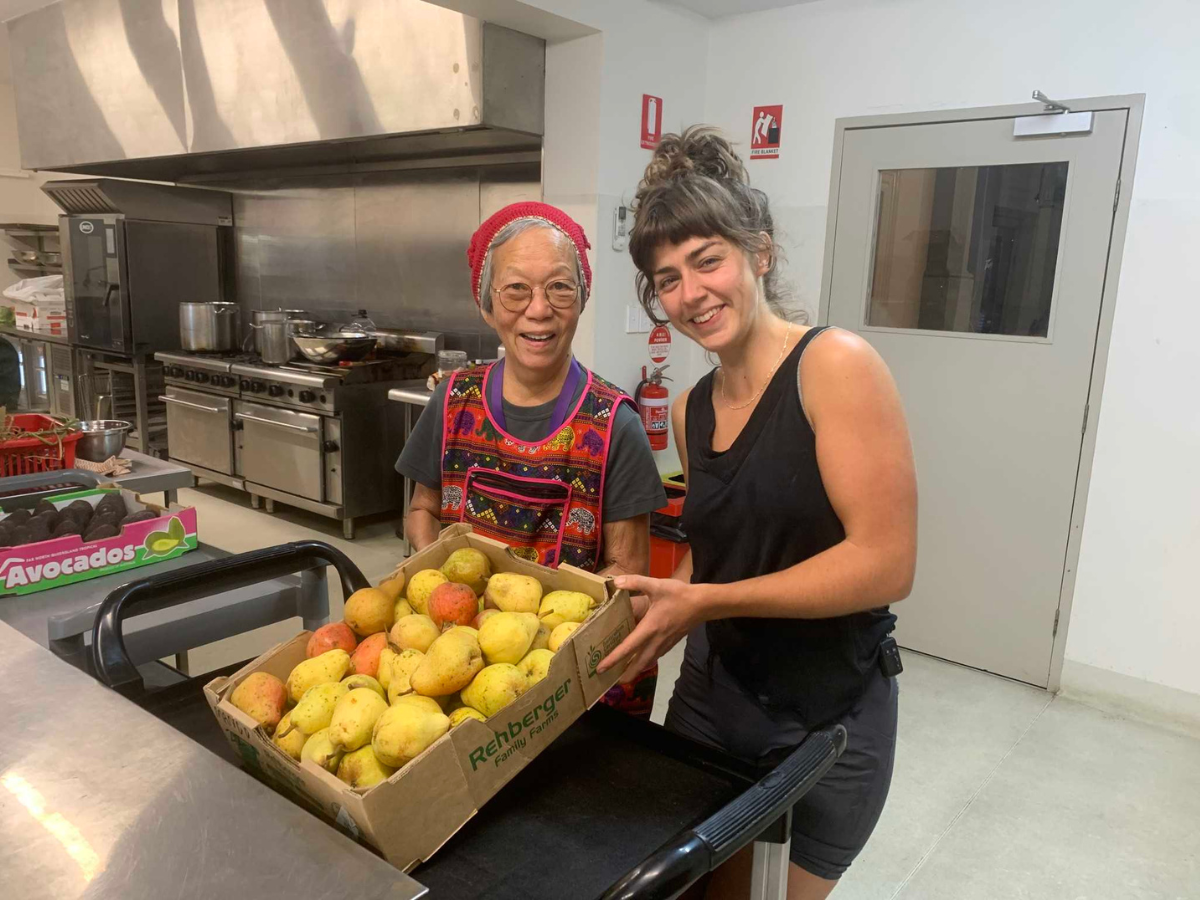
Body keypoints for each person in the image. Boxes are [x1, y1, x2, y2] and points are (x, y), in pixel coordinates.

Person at [599, 127, 918, 898]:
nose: (691, 293)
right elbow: (720, 550)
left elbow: (886, 563)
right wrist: (664, 606)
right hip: (713, 695)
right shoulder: (691, 409)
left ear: (760, 254)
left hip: (827, 718)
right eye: (668, 279)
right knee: (693, 891)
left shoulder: (834, 366)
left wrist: (707, 601)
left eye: (707, 260)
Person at [396, 201, 666, 717]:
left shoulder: (615, 424)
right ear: (487, 305)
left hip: (570, 677)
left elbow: (629, 580)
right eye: (516, 289)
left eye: (560, 287)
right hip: (465, 658)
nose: (538, 309)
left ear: (581, 300)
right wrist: (444, 594)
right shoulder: (452, 401)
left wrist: (536, 639)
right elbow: (422, 510)